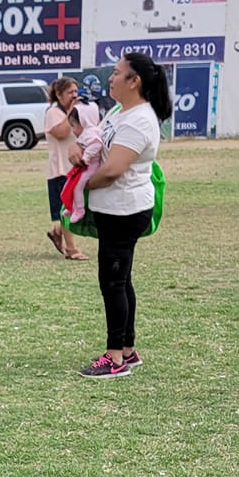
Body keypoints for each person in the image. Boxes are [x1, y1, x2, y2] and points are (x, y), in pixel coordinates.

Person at [70, 50, 169, 378]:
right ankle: (127, 348)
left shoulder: (140, 119)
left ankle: (115, 359)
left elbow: (113, 170)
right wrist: (77, 152)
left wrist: (80, 187)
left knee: (112, 281)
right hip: (111, 207)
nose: (110, 78)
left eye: (116, 73)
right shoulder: (118, 111)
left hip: (124, 209)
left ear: (134, 80)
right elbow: (94, 142)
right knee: (120, 279)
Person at [43, 76, 98, 260]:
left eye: (76, 91)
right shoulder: (53, 112)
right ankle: (72, 249)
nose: (74, 95)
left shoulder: (77, 111)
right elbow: (61, 133)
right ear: (58, 95)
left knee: (75, 206)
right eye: (69, 92)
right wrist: (70, 113)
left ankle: (57, 232)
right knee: (66, 207)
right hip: (60, 168)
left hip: (75, 167)